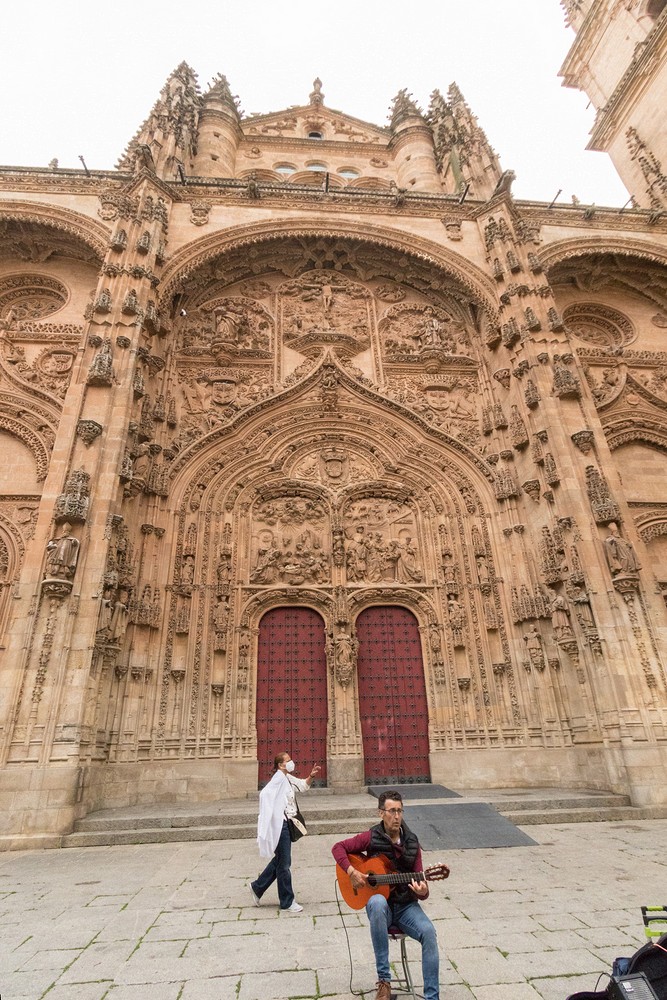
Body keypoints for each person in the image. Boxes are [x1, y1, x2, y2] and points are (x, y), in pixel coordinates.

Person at [332, 790, 442, 1000]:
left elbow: (421, 884)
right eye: (392, 811)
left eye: (400, 811)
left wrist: (423, 891)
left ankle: (432, 997)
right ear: (381, 813)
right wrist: (352, 871)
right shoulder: (371, 837)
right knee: (376, 901)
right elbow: (338, 848)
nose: (397, 816)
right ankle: (384, 981)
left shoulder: (412, 842)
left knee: (429, 932)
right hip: (380, 910)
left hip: (406, 907)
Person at [251, 752, 321, 914]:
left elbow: (303, 785)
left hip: (286, 824)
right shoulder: (278, 778)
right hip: (281, 825)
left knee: (281, 860)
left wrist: (311, 776)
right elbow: (265, 794)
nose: (291, 762)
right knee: (284, 864)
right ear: (281, 765)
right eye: (288, 761)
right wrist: (275, 813)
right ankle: (287, 901)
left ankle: (257, 887)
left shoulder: (287, 777)